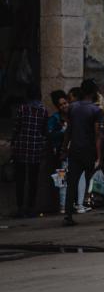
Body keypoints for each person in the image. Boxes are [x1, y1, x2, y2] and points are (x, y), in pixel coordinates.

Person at [62, 79, 104, 225]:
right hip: (90, 151)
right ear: (94, 92)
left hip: (75, 150)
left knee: (72, 183)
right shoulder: (95, 110)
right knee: (99, 182)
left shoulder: (72, 108)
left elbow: (68, 130)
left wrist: (64, 148)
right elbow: (97, 135)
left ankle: (68, 215)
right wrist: (99, 157)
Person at [11, 86, 47, 218]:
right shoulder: (43, 110)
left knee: (20, 180)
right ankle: (31, 208)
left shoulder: (22, 109)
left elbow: (17, 128)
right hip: (36, 148)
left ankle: (20, 208)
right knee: (33, 180)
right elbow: (44, 130)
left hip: (21, 147)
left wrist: (13, 142)